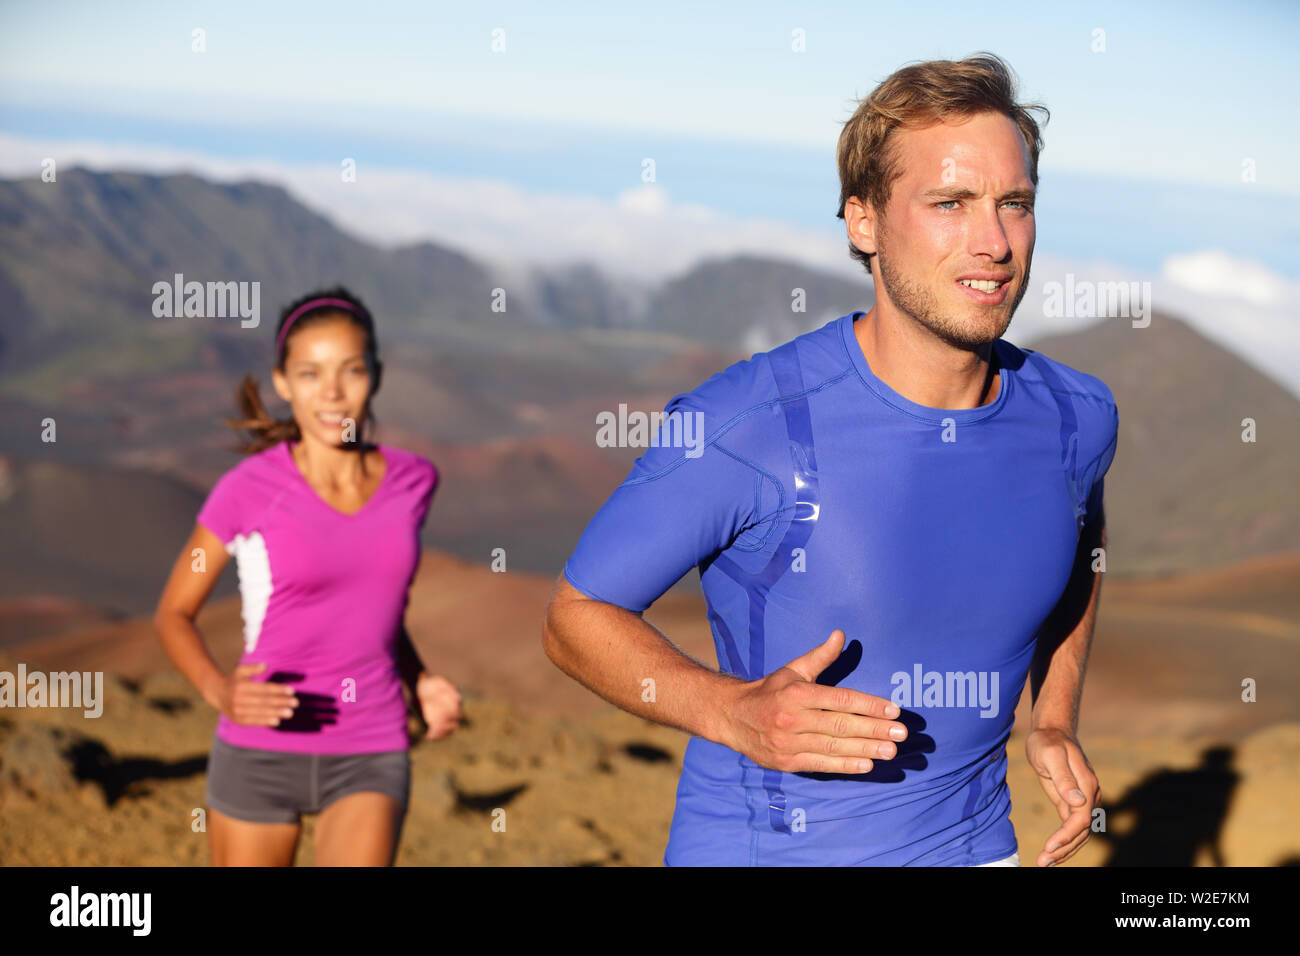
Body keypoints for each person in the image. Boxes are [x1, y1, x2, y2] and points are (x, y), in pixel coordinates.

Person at [543, 53, 1118, 867]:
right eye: (949, 203)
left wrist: (1053, 715)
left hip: (980, 850)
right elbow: (574, 618)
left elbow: (1083, 543)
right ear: (864, 222)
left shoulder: (1076, 417)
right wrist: (730, 711)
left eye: (1013, 204)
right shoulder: (746, 424)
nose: (993, 242)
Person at [153, 286, 462, 866]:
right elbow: (174, 613)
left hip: (370, 744)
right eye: (311, 373)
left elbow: (373, 612)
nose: (333, 393)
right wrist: (220, 692)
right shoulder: (245, 492)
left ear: (377, 374)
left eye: (351, 371)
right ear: (283, 382)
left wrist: (418, 679)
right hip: (260, 750)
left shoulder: (414, 481)